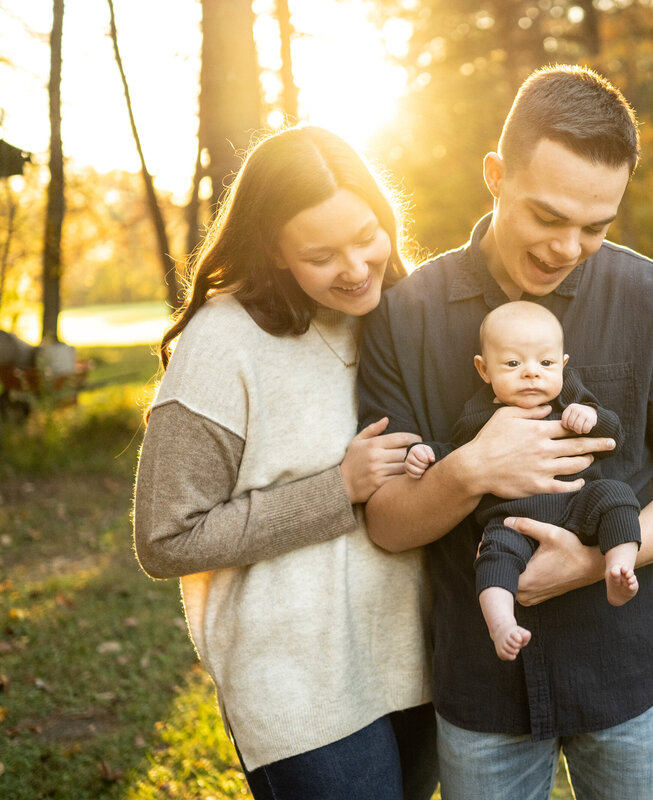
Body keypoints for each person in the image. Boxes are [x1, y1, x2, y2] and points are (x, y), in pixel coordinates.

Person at [357, 64, 653, 799]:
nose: (568, 246)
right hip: (481, 682)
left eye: (595, 227)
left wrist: (595, 561)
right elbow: (388, 525)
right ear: (496, 176)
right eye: (549, 217)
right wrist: (470, 470)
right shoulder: (407, 315)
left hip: (629, 668)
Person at [132, 125, 437, 800]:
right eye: (322, 254)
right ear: (275, 249)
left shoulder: (401, 317)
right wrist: (338, 489)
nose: (357, 268)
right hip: (299, 689)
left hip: (417, 659)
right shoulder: (221, 343)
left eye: (367, 236)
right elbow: (165, 537)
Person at [404, 300, 641, 661]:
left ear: (563, 365)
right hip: (513, 519)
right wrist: (427, 453)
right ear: (484, 369)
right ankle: (501, 623)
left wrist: (591, 416)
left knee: (617, 495)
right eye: (513, 364)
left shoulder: (570, 398)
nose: (532, 373)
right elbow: (459, 451)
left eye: (545, 363)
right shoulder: (479, 414)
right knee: (493, 553)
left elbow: (614, 438)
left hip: (581, 501)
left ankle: (618, 567)